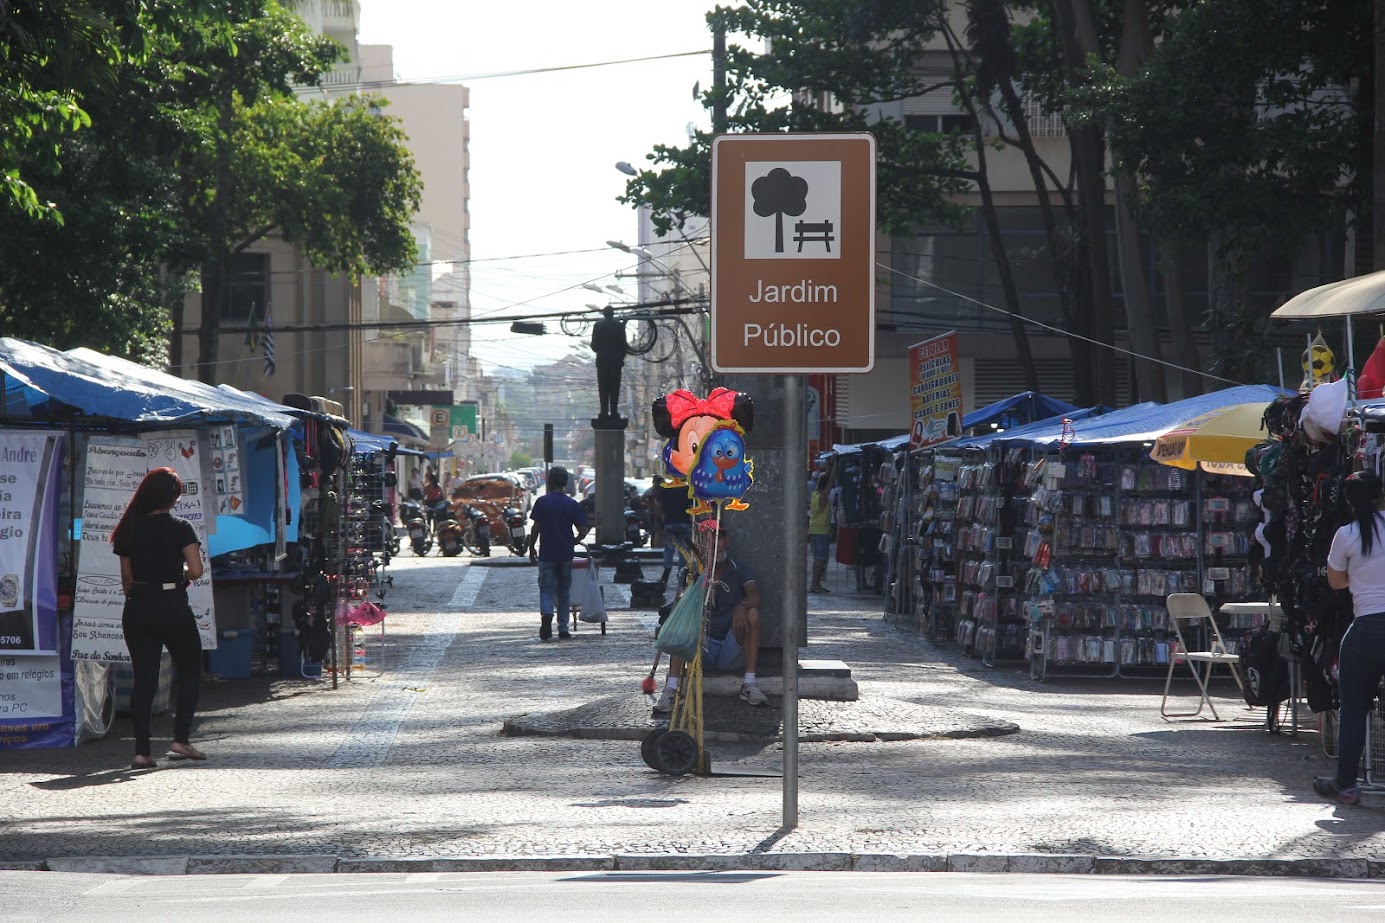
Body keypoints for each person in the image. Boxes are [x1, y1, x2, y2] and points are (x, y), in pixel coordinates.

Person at [111, 467, 207, 769]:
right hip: (171, 604)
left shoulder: (129, 528)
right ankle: (180, 739)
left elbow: (126, 578)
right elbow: (196, 569)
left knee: (145, 680)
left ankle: (141, 751)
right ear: (173, 497)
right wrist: (178, 576)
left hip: (138, 605)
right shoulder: (181, 527)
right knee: (191, 669)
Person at [1319, 471, 1385, 805]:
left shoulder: (1346, 535)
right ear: (1381, 495)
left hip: (1368, 627)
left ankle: (1346, 784)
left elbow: (1335, 582)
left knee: (1355, 708)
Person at [653, 525, 769, 711]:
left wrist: (741, 606)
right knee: (681, 616)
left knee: (753, 614)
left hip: (729, 648)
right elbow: (680, 603)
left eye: (719, 539)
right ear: (702, 546)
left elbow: (754, 596)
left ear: (727, 541)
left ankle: (749, 684)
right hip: (700, 648)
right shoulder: (694, 572)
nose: (715, 545)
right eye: (709, 541)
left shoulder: (740, 568)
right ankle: (672, 689)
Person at [527, 467, 589, 641]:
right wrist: (575, 540)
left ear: (550, 481)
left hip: (547, 553)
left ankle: (547, 614)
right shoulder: (571, 504)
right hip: (565, 554)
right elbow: (583, 530)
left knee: (546, 589)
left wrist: (531, 548)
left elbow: (535, 527)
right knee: (564, 592)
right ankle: (563, 628)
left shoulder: (542, 502)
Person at [591, 305, 628, 419]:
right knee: (614, 388)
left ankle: (603, 412)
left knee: (603, 388)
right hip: (616, 361)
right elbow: (624, 345)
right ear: (613, 314)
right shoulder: (619, 326)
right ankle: (614, 411)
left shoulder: (598, 325)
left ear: (603, 314)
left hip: (602, 361)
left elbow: (594, 346)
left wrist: (600, 349)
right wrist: (620, 358)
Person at [658, 478, 693, 586]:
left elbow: (658, 505)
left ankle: (667, 567)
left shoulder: (666, 489)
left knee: (668, 548)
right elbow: (691, 506)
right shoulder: (687, 489)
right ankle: (681, 575)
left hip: (669, 523)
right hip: (684, 523)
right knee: (683, 550)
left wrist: (662, 518)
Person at [808, 470, 834, 593]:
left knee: (818, 558)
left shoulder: (815, 494)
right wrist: (834, 467)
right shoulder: (822, 497)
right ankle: (814, 584)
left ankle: (816, 583)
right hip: (821, 531)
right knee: (820, 559)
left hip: (814, 529)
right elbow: (830, 483)